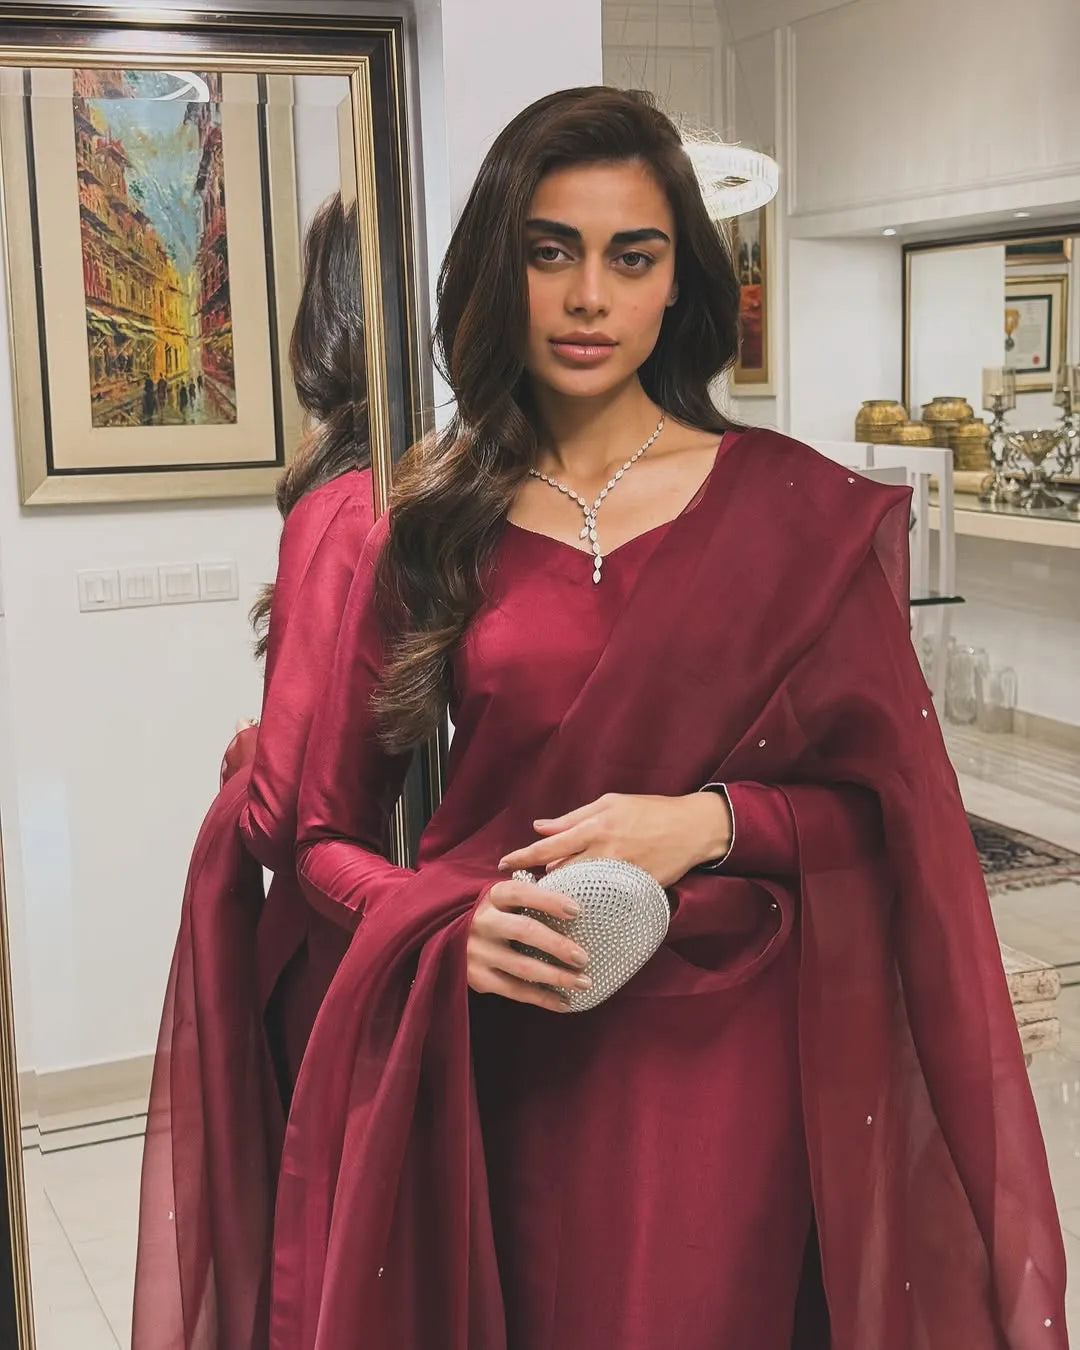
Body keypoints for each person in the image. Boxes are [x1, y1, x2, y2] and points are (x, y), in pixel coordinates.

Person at [270, 88, 1067, 1350]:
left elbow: (898, 824)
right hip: (502, 1049)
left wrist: (712, 823)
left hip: (729, 1072)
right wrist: (442, 922)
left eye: (630, 257)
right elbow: (319, 836)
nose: (589, 296)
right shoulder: (423, 524)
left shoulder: (796, 518)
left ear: (678, 283)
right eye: (550, 251)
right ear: (499, 267)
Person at [132, 192, 374, 1350]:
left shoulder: (338, 505)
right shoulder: (456, 494)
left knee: (320, 1263)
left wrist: (247, 751)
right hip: (398, 929)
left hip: (337, 955)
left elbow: (284, 812)